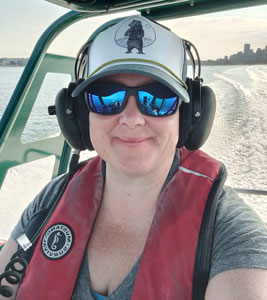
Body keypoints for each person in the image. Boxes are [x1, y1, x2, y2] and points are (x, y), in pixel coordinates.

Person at [0, 15, 267, 300]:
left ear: (190, 116)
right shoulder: (52, 199)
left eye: (158, 99)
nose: (131, 119)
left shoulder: (230, 232)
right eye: (106, 98)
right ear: (78, 113)